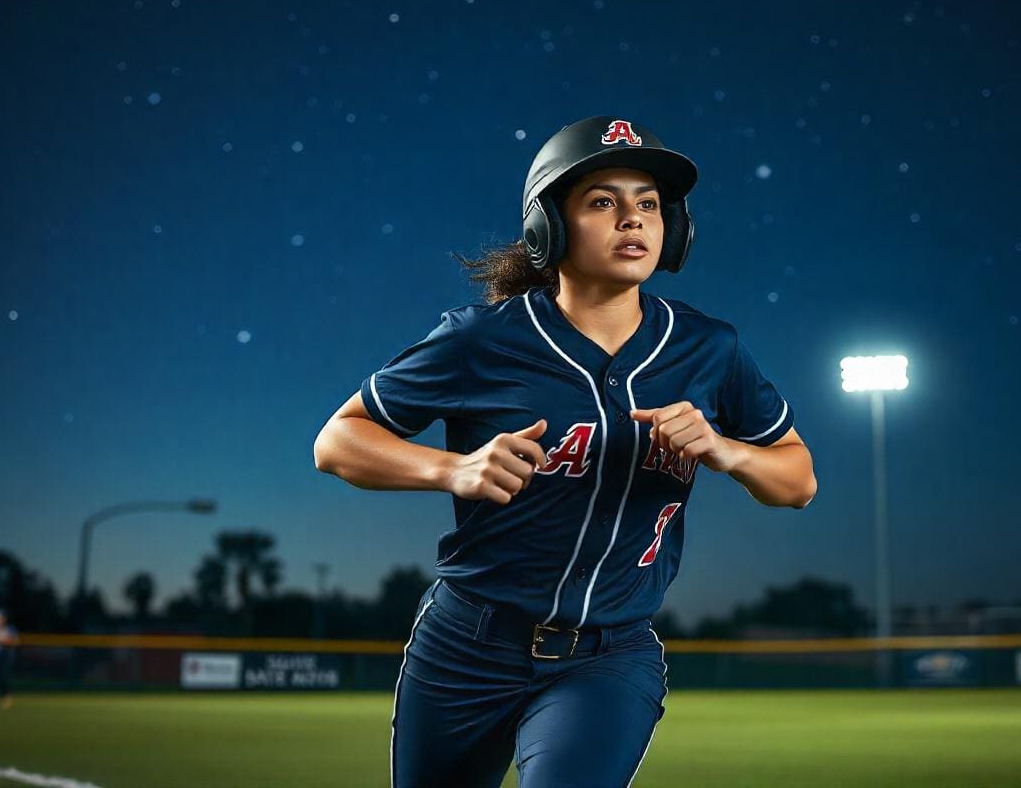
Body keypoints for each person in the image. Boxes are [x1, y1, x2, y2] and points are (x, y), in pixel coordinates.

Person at [314, 115, 817, 788]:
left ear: (675, 228)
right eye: (603, 202)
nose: (632, 220)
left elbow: (798, 479)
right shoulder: (481, 340)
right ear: (548, 225)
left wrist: (728, 451)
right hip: (466, 645)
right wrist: (451, 467)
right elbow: (338, 441)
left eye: (647, 204)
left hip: (608, 657)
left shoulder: (711, 349)